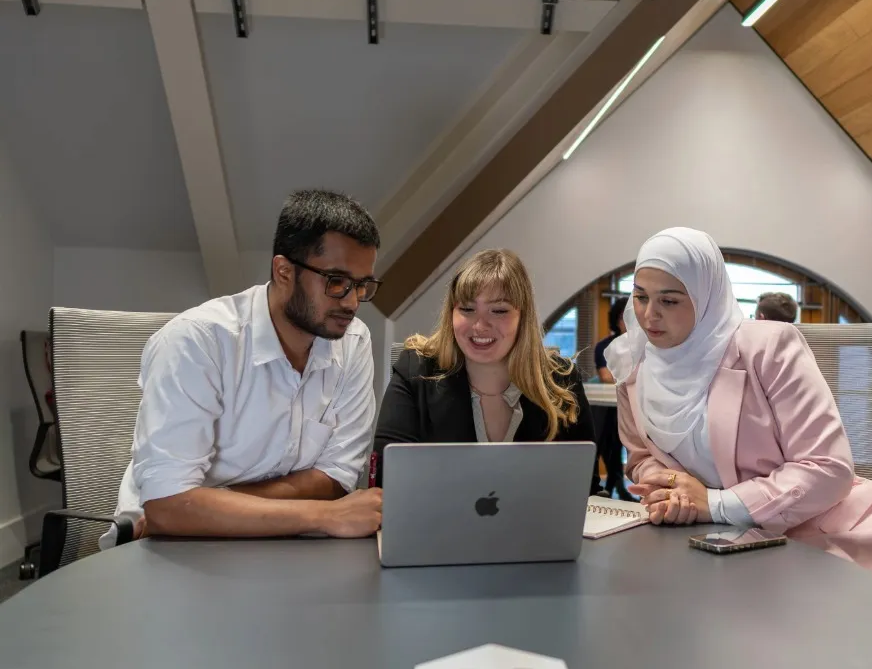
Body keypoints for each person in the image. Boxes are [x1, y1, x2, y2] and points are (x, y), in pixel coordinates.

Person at [607, 228, 872, 598]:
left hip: (812, 531)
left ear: (705, 296)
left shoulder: (768, 348)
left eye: (670, 301)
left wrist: (713, 503)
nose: (650, 315)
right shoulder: (634, 366)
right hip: (702, 542)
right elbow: (641, 455)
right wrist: (669, 488)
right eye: (640, 297)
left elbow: (829, 468)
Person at [103, 190, 385, 548]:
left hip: (287, 545)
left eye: (363, 285)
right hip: (174, 548)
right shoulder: (196, 342)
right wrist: (324, 514)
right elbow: (167, 510)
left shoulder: (354, 341)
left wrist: (210, 505)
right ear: (284, 271)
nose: (352, 301)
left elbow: (336, 477)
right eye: (337, 282)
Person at [371, 249, 595, 480]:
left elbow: (585, 485)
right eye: (467, 309)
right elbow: (386, 479)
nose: (480, 325)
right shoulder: (414, 372)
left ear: (523, 316)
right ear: (451, 313)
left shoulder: (561, 379)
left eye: (498, 311)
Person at [591, 296, 635, 500]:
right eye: (623, 318)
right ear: (616, 321)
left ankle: (615, 485)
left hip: (632, 404)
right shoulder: (604, 346)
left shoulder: (647, 345)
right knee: (608, 438)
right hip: (608, 404)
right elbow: (606, 376)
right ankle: (612, 484)